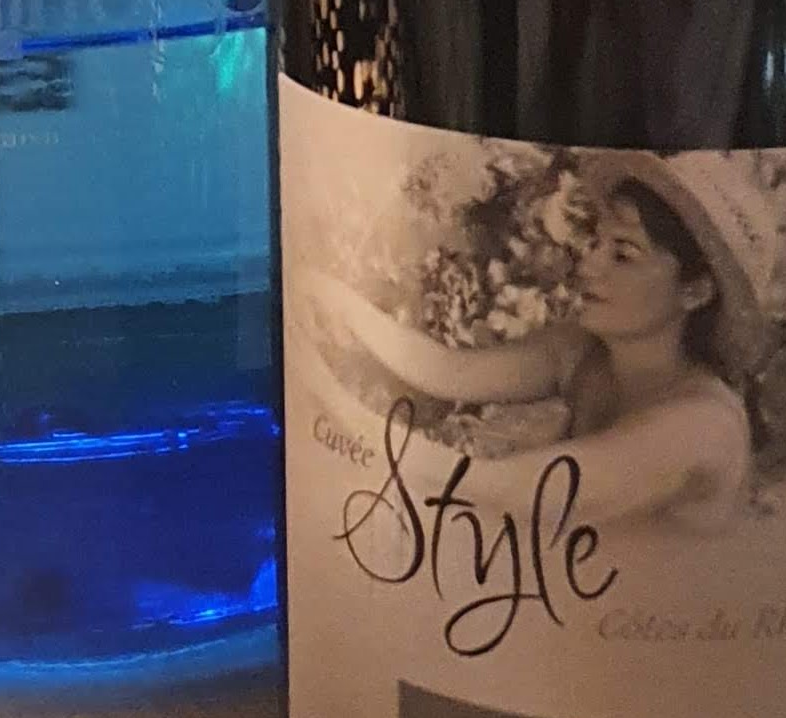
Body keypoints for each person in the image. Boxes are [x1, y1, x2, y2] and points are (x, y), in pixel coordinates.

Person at [307, 165, 756, 534]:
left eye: (623, 254)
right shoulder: (581, 351)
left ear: (696, 291)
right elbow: (447, 371)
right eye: (596, 241)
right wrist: (334, 299)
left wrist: (332, 407)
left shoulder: (703, 426)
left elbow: (517, 491)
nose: (588, 263)